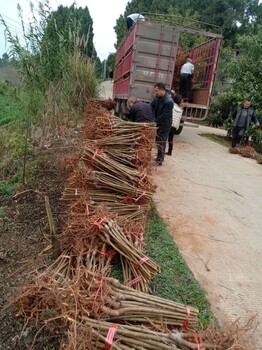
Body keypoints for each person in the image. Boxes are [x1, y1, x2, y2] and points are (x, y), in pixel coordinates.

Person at [150, 82, 174, 165]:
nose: (155, 93)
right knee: (158, 140)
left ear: (162, 90)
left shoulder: (169, 102)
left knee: (162, 140)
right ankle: (159, 157)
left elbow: (164, 115)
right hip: (158, 122)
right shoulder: (157, 97)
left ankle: (160, 160)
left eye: (156, 91)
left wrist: (154, 122)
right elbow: (151, 107)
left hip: (165, 124)